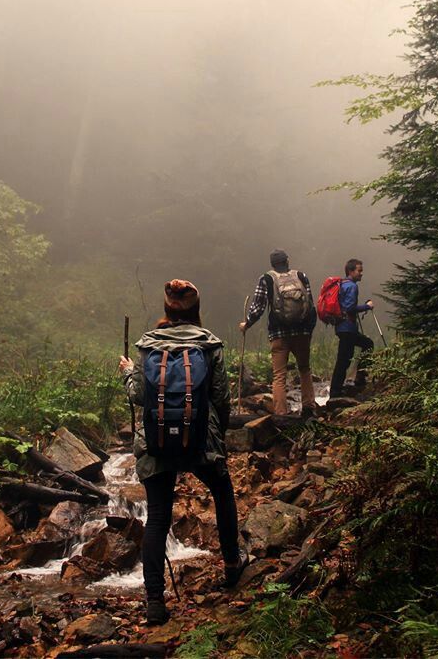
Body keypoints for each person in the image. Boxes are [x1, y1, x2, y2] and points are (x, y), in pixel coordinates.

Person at [118, 279, 247, 626]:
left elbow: (139, 397)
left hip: (156, 443)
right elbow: (219, 397)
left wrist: (129, 371)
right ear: (195, 310)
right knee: (222, 492)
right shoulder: (209, 345)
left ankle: (155, 601)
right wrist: (219, 436)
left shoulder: (147, 346)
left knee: (158, 516)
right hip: (201, 439)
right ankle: (232, 564)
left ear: (167, 310)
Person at [239, 249, 317, 417]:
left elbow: (258, 307)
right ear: (287, 261)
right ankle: (309, 407)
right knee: (304, 369)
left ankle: (281, 414)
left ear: (272, 264)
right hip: (302, 332)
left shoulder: (267, 279)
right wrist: (308, 330)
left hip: (278, 334)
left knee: (279, 375)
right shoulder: (301, 276)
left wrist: (247, 323)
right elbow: (310, 304)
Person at [329, 258, 374, 399]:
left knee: (345, 358)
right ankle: (344, 387)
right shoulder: (352, 286)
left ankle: (338, 389)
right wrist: (367, 306)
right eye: (359, 271)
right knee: (364, 346)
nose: (361, 274)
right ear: (350, 271)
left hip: (342, 328)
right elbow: (349, 308)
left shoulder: (342, 284)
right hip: (347, 328)